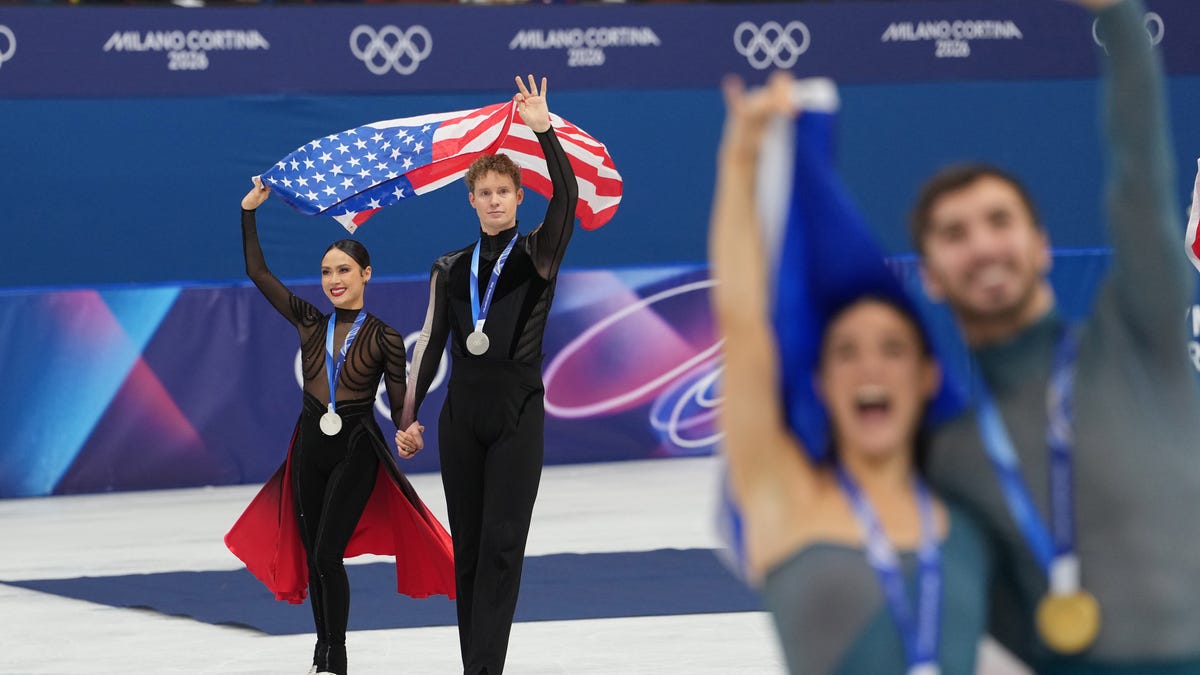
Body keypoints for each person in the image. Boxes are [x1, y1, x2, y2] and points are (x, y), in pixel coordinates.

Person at [912, 0, 1200, 671]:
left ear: (1040, 244)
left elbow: (1139, 176)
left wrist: (1120, 20)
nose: (982, 245)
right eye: (955, 233)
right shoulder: (950, 456)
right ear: (928, 275)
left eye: (999, 219)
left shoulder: (1138, 344)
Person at [710, 72, 990, 674]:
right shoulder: (782, 492)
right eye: (847, 352)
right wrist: (740, 157)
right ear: (819, 383)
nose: (870, 365)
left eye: (893, 349)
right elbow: (745, 322)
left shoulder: (964, 506)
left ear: (928, 379)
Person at [225, 177, 455, 675]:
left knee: (329, 552)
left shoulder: (387, 337)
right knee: (314, 557)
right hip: (309, 443)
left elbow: (400, 404)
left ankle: (337, 657)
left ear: (366, 274)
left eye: (345, 270)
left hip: (357, 446)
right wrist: (249, 212)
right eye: (327, 271)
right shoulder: (310, 322)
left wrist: (409, 430)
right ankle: (320, 653)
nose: (335, 279)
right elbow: (258, 272)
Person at [396, 74, 579, 674]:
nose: (496, 200)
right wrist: (408, 415)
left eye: (505, 191)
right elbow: (430, 347)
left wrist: (544, 131)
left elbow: (569, 199)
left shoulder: (537, 256)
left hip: (516, 414)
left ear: (518, 198)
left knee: (502, 548)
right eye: (485, 192)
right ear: (471, 200)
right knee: (469, 553)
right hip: (461, 418)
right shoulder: (449, 269)